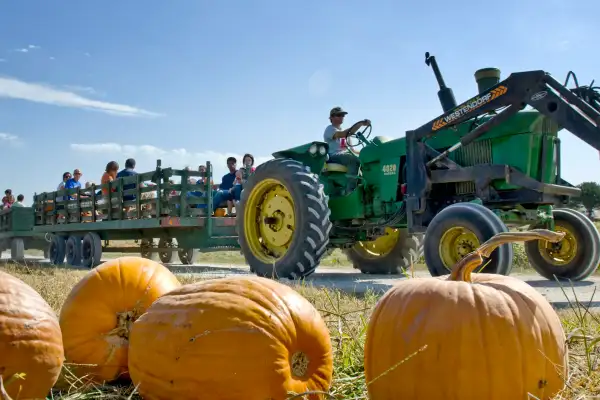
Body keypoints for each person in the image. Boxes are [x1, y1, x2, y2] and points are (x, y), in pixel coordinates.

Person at [323, 106, 370, 192]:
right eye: (339, 115)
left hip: (344, 155)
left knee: (365, 159)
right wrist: (360, 124)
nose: (342, 117)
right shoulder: (330, 129)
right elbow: (344, 133)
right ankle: (350, 191)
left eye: (343, 115)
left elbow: (351, 150)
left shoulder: (345, 134)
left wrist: (366, 153)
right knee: (353, 160)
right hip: (333, 156)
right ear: (331, 118)